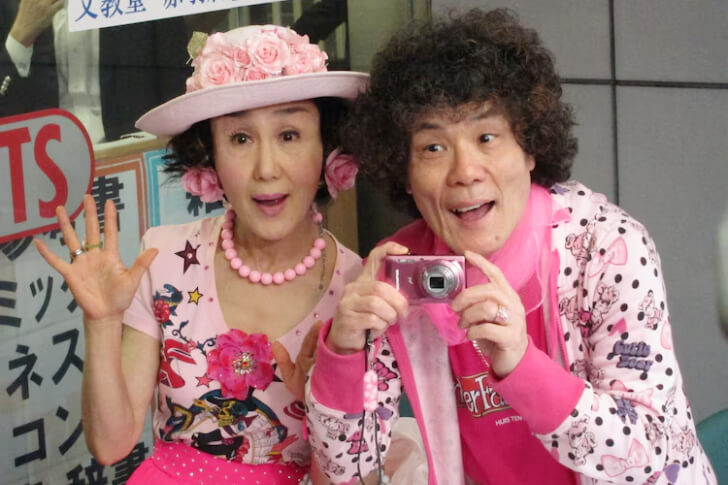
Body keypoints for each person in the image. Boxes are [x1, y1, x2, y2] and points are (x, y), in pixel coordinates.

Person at [305, 9, 717, 485]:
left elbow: (647, 449)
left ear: (530, 147)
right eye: (433, 148)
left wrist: (521, 363)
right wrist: (344, 350)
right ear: (405, 172)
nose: (465, 171)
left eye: (487, 137)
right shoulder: (399, 271)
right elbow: (348, 468)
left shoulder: (606, 249)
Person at [35, 24, 368, 484]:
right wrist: (103, 322)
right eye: (240, 139)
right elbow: (111, 445)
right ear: (209, 154)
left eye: (289, 135)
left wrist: (326, 393)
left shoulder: (358, 293)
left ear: (327, 149)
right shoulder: (165, 258)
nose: (266, 168)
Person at [1, 0, 189, 141]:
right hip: (42, 162)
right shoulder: (9, 7)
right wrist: (19, 38)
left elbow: (177, 92)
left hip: (132, 157)